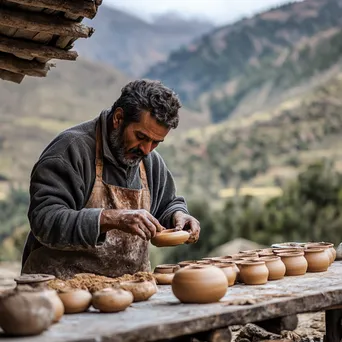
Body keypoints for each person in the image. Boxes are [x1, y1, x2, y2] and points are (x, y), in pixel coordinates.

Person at [21, 79, 200, 279]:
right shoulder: (70, 151)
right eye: (141, 137)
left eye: (156, 142)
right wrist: (111, 218)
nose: (146, 149)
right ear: (118, 118)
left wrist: (178, 215)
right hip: (59, 291)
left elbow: (166, 204)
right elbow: (44, 220)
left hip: (125, 292)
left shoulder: (149, 161)